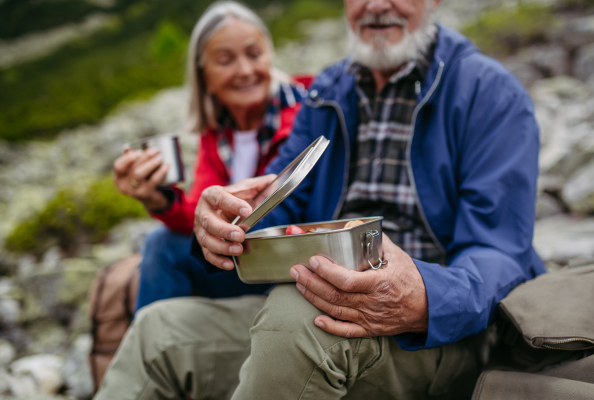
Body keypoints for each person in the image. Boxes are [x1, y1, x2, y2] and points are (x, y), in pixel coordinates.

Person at [96, 0, 546, 399]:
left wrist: (425, 298)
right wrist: (229, 223)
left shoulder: (490, 94)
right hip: (318, 310)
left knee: (295, 312)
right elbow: (288, 205)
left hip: (438, 336)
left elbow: (502, 253)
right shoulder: (329, 91)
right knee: (158, 330)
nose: (376, 5)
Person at [111, 1, 311, 310]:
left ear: (270, 55)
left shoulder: (304, 113)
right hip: (244, 261)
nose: (245, 70)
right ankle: (158, 344)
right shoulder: (218, 134)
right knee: (160, 243)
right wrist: (157, 198)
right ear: (203, 75)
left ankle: (157, 349)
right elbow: (201, 218)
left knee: (161, 247)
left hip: (288, 265)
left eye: (254, 54)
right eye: (225, 60)